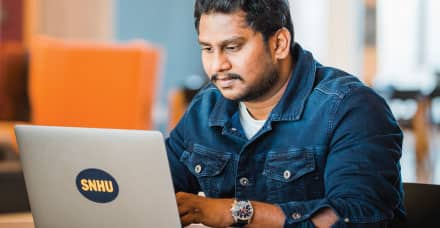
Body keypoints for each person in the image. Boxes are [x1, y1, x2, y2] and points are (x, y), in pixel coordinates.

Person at [166, 0, 405, 227]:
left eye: (232, 47)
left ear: (279, 43)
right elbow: (156, 185)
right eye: (208, 49)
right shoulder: (205, 108)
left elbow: (357, 218)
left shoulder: (352, 108)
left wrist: (233, 212)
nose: (217, 65)